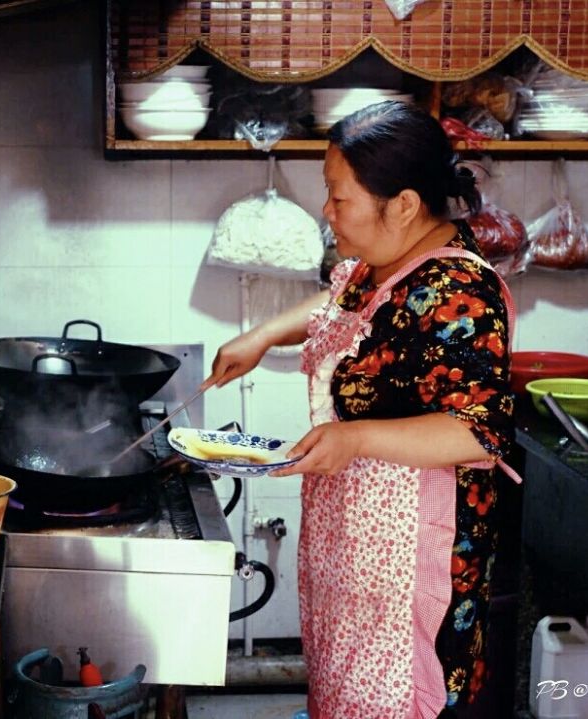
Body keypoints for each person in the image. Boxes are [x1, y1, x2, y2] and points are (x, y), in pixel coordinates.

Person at [202, 101, 519, 719]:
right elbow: (344, 305)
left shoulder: (459, 293)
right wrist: (262, 335)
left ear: (402, 205)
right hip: (356, 545)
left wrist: (354, 439)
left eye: (338, 196)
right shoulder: (382, 266)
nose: (327, 210)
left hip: (411, 564)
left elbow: (477, 432)